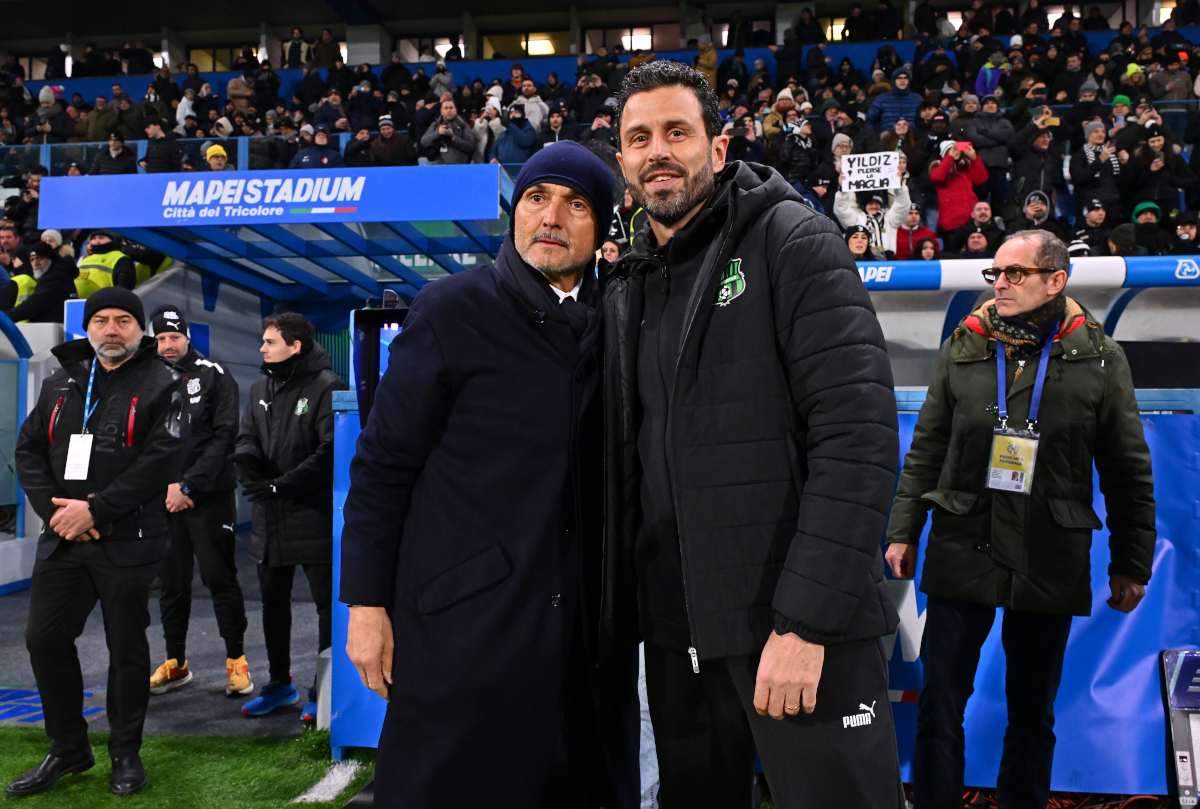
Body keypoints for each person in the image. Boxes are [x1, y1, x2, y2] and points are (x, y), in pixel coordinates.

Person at [605, 59, 904, 809]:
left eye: (678, 130)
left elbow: (858, 440)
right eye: (640, 138)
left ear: (719, 143)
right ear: (622, 162)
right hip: (680, 640)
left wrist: (805, 623)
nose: (658, 151)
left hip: (797, 633)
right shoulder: (633, 281)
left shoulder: (792, 240)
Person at [341, 140, 639, 809]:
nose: (551, 217)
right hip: (464, 635)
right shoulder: (451, 309)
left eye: (575, 203)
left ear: (602, 230)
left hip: (587, 643)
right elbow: (383, 466)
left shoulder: (622, 318)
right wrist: (365, 605)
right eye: (536, 197)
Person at [885, 230, 1156, 809]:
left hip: (1049, 551)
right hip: (963, 540)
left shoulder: (1101, 357)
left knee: (1033, 713)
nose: (999, 284)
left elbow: (1128, 470)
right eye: (995, 273)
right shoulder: (965, 344)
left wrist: (1133, 561)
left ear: (1056, 281)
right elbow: (927, 447)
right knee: (939, 703)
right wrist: (904, 529)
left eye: (1015, 274)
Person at [9, 289, 185, 798]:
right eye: (102, 320)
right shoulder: (61, 380)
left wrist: (96, 510)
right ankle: (68, 748)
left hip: (128, 540)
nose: (112, 329)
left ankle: (125, 752)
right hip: (64, 537)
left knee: (126, 649)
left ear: (139, 329)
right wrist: (56, 512)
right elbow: (28, 450)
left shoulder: (165, 383)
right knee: (44, 640)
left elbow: (163, 461)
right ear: (88, 328)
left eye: (123, 320)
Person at [235, 314, 345, 720]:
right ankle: (280, 684)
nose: (262, 348)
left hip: (313, 516)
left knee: (326, 608)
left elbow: (328, 452)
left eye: (269, 342)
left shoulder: (327, 386)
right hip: (270, 519)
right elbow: (246, 433)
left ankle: (324, 689)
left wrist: (281, 486)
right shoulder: (260, 386)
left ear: (295, 345)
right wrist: (246, 461)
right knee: (272, 603)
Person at [145, 308, 250, 701]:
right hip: (163, 501)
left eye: (173, 337)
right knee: (171, 585)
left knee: (219, 578)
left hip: (207, 499)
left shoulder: (214, 376)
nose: (167, 345)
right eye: (160, 339)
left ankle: (237, 662)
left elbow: (225, 438)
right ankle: (176, 663)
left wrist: (187, 485)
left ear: (187, 337)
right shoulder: (149, 378)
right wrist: (163, 488)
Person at [1, 241, 77, 323]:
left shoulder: (55, 277)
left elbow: (33, 304)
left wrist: (4, 319)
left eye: (40, 258)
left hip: (55, 331)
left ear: (50, 258)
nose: (35, 263)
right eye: (32, 259)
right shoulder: (58, 274)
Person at [930, 141, 989, 236]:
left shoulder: (965, 168)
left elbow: (982, 178)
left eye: (957, 149)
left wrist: (974, 158)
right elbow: (937, 177)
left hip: (970, 220)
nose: (956, 152)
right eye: (952, 150)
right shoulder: (937, 168)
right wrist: (949, 158)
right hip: (950, 224)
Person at [75, 232, 137, 298]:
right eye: (94, 238)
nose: (97, 241)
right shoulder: (85, 259)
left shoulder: (120, 259)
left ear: (111, 240)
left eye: (101, 238)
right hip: (78, 304)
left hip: (104, 304)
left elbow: (124, 288)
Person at [420, 98, 476, 165]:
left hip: (458, 167)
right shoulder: (435, 125)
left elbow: (471, 147)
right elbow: (423, 141)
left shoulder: (463, 125)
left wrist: (454, 139)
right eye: (446, 108)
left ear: (455, 110)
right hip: (438, 167)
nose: (449, 110)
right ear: (441, 111)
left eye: (451, 108)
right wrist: (438, 133)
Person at [344, 115, 416, 167]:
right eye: (383, 129)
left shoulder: (404, 139)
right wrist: (361, 143)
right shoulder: (375, 144)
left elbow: (412, 158)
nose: (386, 131)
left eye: (388, 128)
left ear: (393, 128)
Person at [868, 68, 923, 133]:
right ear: (893, 81)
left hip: (911, 137)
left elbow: (924, 120)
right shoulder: (881, 99)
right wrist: (875, 137)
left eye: (905, 78)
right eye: (899, 78)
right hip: (888, 138)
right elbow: (869, 119)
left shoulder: (917, 99)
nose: (903, 81)